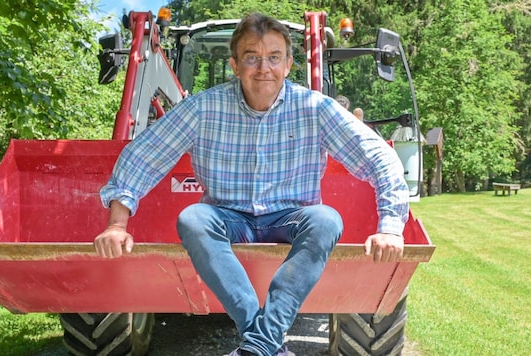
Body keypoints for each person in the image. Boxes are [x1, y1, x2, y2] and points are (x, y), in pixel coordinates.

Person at [95, 12, 408, 356]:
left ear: (289, 64)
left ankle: (257, 346)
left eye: (274, 57)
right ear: (234, 64)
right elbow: (144, 154)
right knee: (193, 219)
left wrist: (391, 227)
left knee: (326, 220)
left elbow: (379, 157)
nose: (263, 68)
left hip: (290, 217)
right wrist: (117, 224)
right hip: (228, 217)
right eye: (252, 57)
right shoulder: (202, 108)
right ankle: (266, 344)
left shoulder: (314, 108)